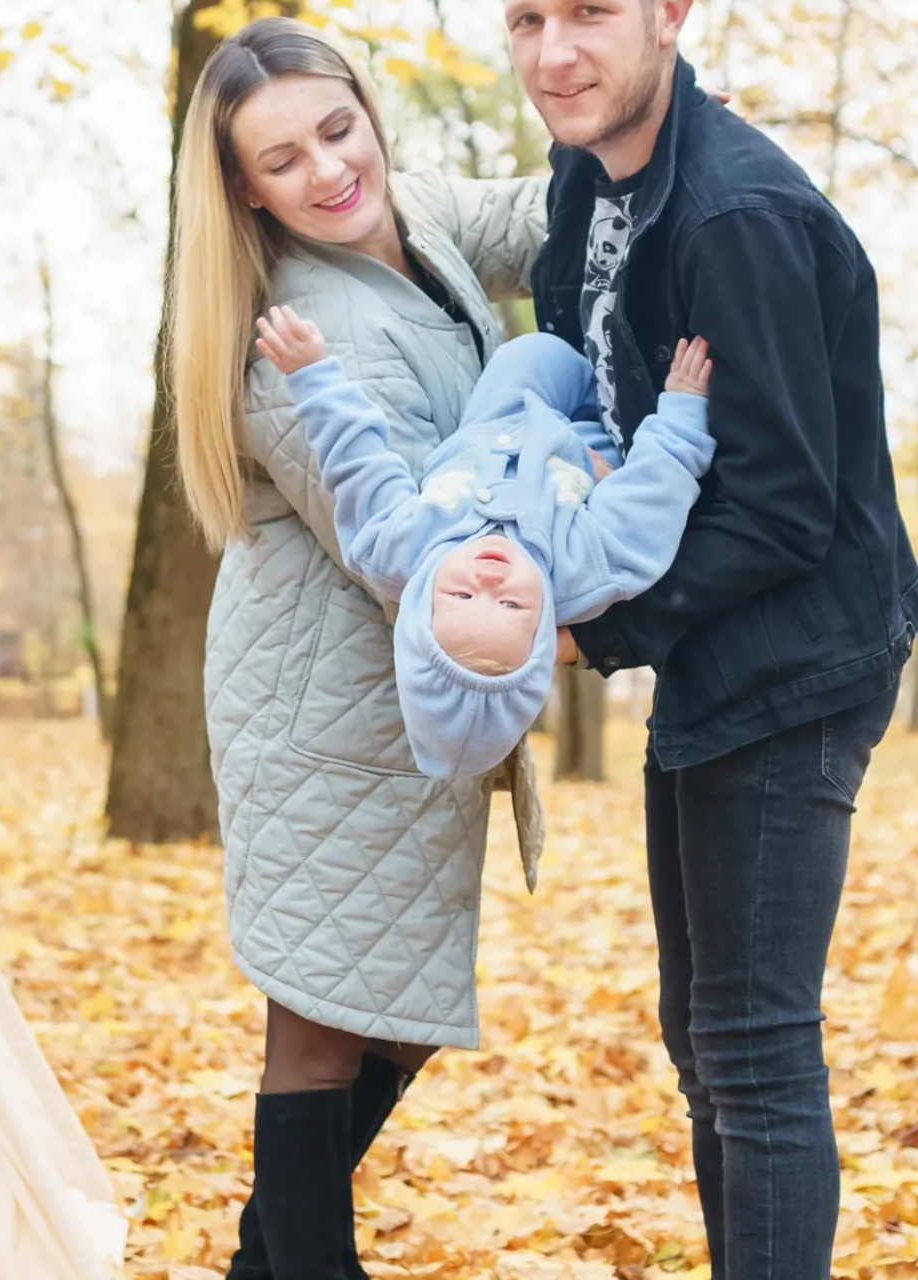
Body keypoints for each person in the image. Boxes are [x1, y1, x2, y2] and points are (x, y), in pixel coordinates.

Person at [504, 1, 918, 1276]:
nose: (553, 54)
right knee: (706, 1039)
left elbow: (786, 505)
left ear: (670, 11)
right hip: (709, 650)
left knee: (751, 1043)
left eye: (588, 12)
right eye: (524, 19)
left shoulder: (734, 216)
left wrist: (598, 631)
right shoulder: (587, 185)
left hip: (798, 654)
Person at [170, 16, 549, 1280]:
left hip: (404, 716)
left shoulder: (415, 214)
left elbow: (546, 208)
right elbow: (401, 550)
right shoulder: (288, 333)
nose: (327, 170)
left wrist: (646, 146)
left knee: (391, 1026)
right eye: (281, 161)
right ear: (242, 187)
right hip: (323, 719)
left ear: (367, 113)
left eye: (337, 130)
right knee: (324, 1034)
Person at [254, 307, 714, 779]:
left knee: (532, 353)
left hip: (503, 411)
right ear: (542, 634)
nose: (490, 578)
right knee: (619, 413)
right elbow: (656, 491)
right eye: (512, 605)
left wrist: (312, 375)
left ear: (420, 613)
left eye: (461, 595)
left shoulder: (397, 547)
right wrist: (682, 408)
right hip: (583, 446)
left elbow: (357, 462)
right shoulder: (587, 568)